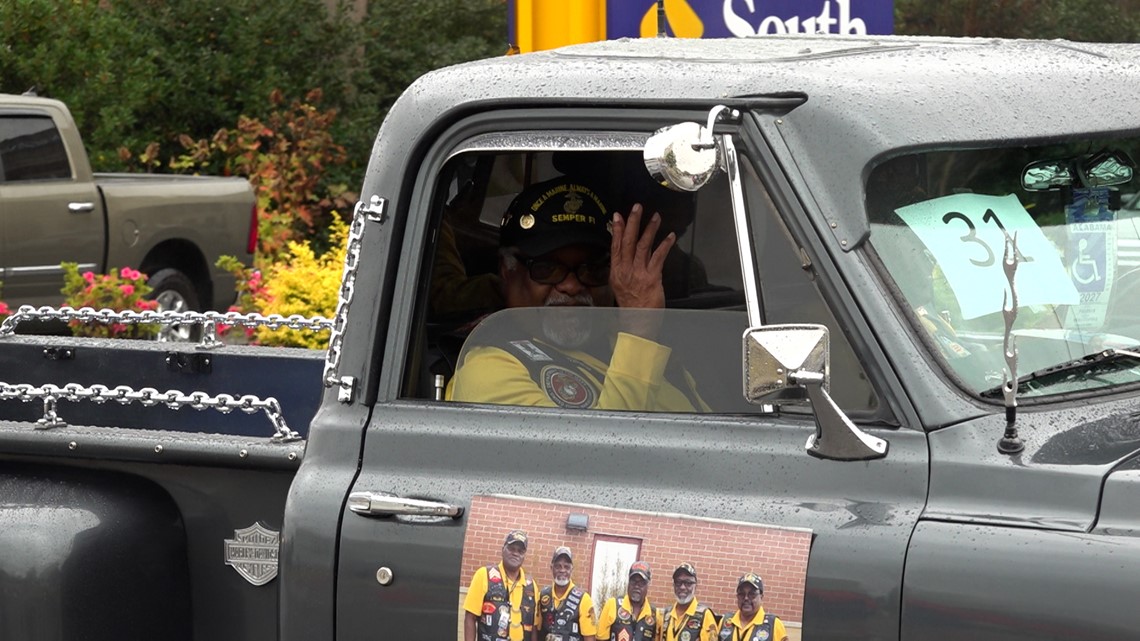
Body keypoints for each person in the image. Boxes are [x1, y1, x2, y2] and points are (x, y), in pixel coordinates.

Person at [446, 175, 708, 411]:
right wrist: (639, 332)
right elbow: (598, 460)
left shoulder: (626, 348)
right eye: (547, 268)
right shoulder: (489, 370)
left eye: (593, 268)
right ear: (508, 271)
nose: (571, 286)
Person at [464, 530, 537, 641]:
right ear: (503, 550)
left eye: (520, 551)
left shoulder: (531, 585)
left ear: (524, 555)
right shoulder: (484, 575)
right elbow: (470, 617)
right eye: (511, 549)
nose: (515, 553)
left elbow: (534, 627)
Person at [535, 546, 597, 641]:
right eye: (558, 566)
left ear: (572, 569)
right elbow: (536, 630)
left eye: (566, 567)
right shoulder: (543, 595)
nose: (562, 570)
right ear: (551, 567)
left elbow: (590, 638)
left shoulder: (584, 599)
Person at [596, 561, 661, 641]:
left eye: (641, 583)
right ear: (628, 582)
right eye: (633, 581)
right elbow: (600, 638)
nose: (636, 586)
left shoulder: (655, 614)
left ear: (648, 585)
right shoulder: (612, 605)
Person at [715, 574, 788, 641]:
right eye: (742, 594)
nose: (746, 598)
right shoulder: (725, 622)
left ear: (761, 597)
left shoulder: (774, 625)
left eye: (752, 594)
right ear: (737, 596)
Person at [662, 563, 718, 641]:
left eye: (688, 583)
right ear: (673, 585)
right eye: (678, 582)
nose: (682, 587)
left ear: (696, 585)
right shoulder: (666, 614)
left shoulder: (705, 615)